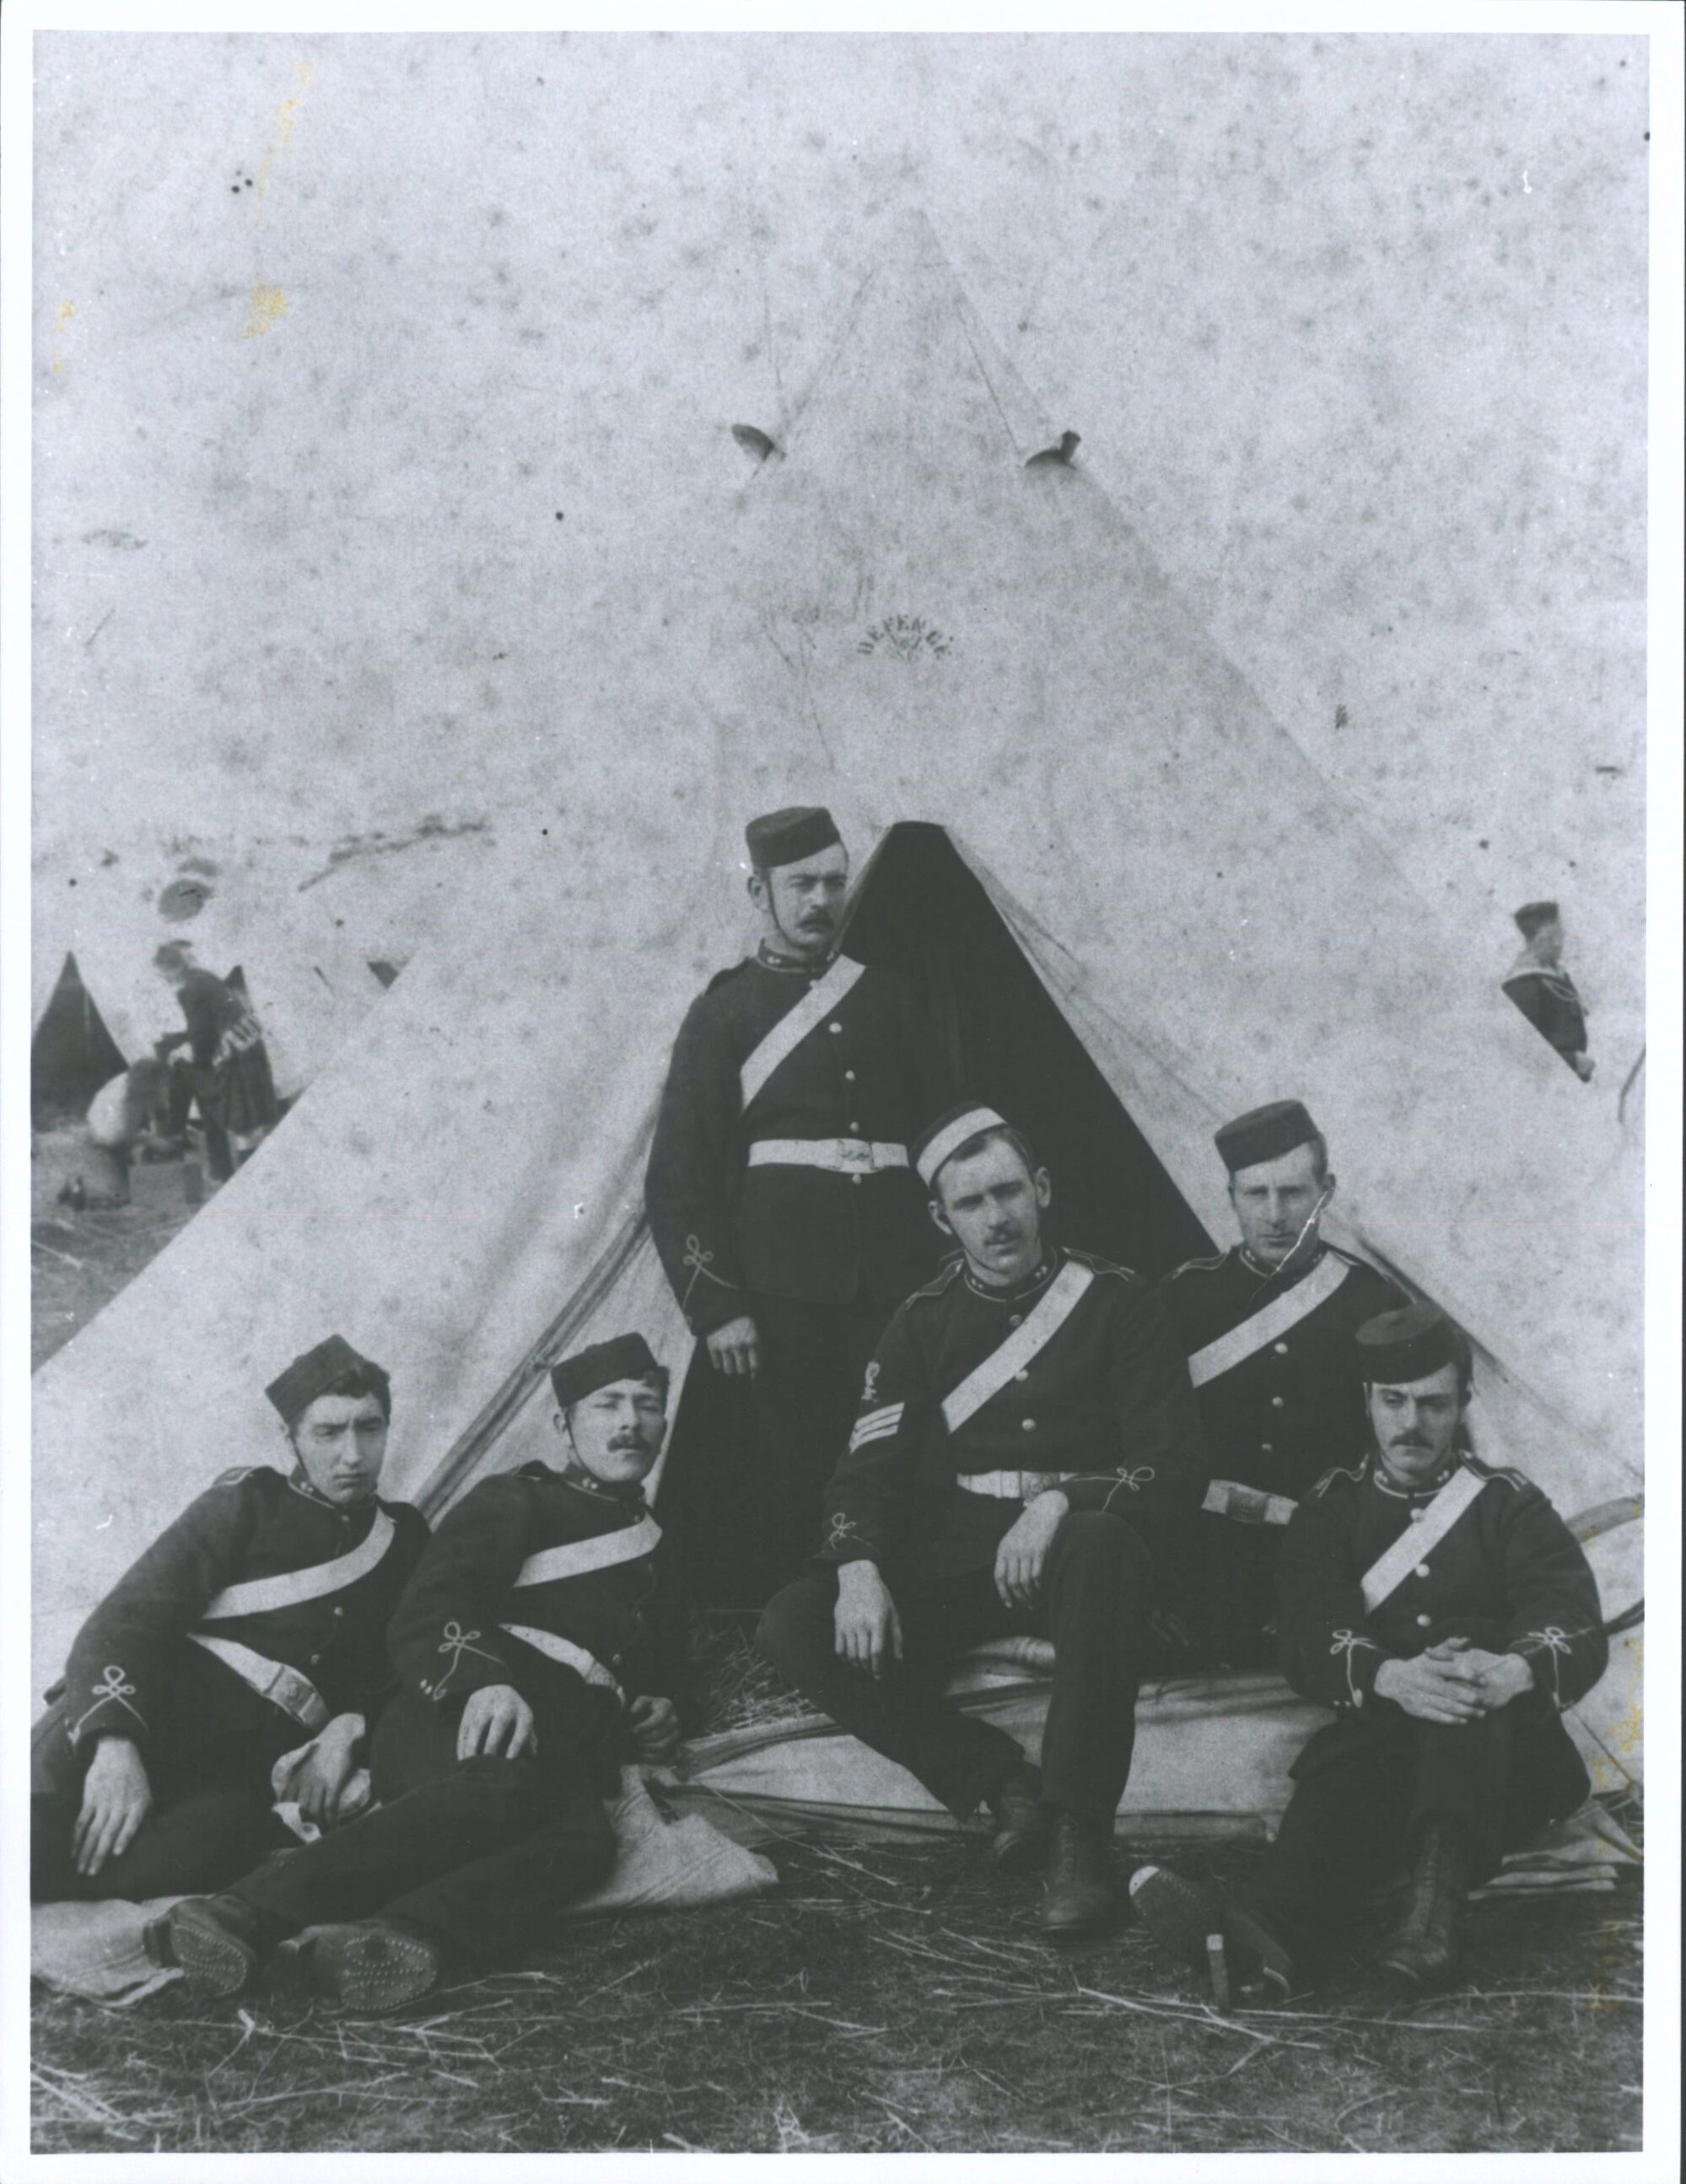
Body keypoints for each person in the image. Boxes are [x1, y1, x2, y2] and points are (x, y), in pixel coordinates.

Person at [758, 1103, 1208, 1939]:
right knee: (793, 1620)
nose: (995, 1218)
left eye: (1008, 1192)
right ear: (941, 1219)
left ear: (1042, 1189)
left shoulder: (1119, 1301)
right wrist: (856, 1567)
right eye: (970, 1202)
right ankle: (1001, 1785)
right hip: (962, 1556)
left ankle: (1078, 1839)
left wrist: (1060, 1501)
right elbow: (863, 1470)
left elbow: (1172, 1465)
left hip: (1083, 1554)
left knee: (1102, 1542)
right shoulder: (920, 1322)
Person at [151, 1335, 683, 2013]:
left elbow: (662, 1662)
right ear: (563, 1424)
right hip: (452, 1714)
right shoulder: (514, 1498)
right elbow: (432, 1604)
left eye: (647, 1405)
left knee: (584, 1840)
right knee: (507, 1788)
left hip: (568, 1741)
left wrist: (663, 1705)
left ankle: (387, 1937)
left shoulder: (658, 1544)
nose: (629, 1421)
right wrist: (483, 1681)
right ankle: (240, 1913)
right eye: (607, 1404)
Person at [1129, 1302, 1608, 1999]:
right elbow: (1307, 1627)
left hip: (1509, 1756)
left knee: (1468, 1660)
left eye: (1432, 1403)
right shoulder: (1332, 1508)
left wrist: (1513, 1668)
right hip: (1383, 1743)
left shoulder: (1509, 1503)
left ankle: (1430, 1922)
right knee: (1344, 1775)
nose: (1410, 1422)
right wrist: (1389, 1676)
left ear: (1463, 1404)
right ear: (1366, 1400)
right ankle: (1264, 1943)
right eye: (1393, 1401)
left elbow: (1571, 1616)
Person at [645, 805, 947, 1614]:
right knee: (795, 1466)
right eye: (801, 884)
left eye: (833, 883)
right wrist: (717, 1308)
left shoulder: (889, 998)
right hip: (781, 1290)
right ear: (759, 892)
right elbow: (679, 1177)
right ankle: (805, 1632)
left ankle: (905, 1617)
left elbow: (943, 1132)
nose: (821, 901)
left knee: (899, 1448)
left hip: (896, 1277)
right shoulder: (723, 1013)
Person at [32, 1336, 428, 1904]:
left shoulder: (404, 1538)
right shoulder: (248, 1501)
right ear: (290, 1437)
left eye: (370, 1428)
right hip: (147, 1711)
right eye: (328, 1432)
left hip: (237, 1772)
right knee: (30, 1831)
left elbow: (410, 1659)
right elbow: (127, 1619)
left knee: (208, 1851)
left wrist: (351, 1725)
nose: (353, 1454)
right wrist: (113, 1746)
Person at [1157, 1100, 1404, 1667]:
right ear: (1231, 1197)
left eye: (1292, 1193)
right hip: (1201, 1553)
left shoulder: (1371, 1303)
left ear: (1326, 1191)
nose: (1274, 1215)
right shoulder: (1181, 1298)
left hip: (1322, 1553)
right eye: (1255, 1194)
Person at [155, 943, 281, 1179]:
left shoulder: (189, 989)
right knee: (255, 1123)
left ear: (170, 971)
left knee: (245, 1125)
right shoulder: (204, 977)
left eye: (163, 975)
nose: (163, 980)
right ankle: (258, 1175)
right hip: (250, 1046)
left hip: (237, 1056)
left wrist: (184, 1053)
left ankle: (248, 1179)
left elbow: (202, 1040)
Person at [1502, 900, 1594, 1079]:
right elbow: (1522, 1051)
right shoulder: (1523, 984)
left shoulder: (1556, 977)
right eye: (1556, 937)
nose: (1560, 944)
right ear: (1541, 938)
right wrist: (1572, 1061)